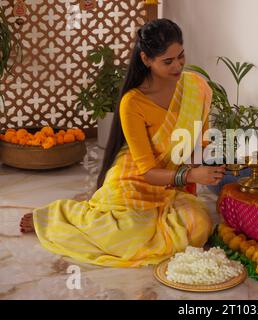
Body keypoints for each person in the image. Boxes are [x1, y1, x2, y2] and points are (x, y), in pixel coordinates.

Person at [19, 18, 225, 267]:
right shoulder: (134, 102)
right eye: (168, 61)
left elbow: (201, 140)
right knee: (125, 235)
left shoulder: (196, 87)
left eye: (181, 56)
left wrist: (207, 166)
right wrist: (191, 176)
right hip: (134, 177)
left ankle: (155, 224)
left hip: (171, 183)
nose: (178, 66)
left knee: (199, 225)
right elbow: (147, 171)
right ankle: (59, 216)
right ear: (146, 59)